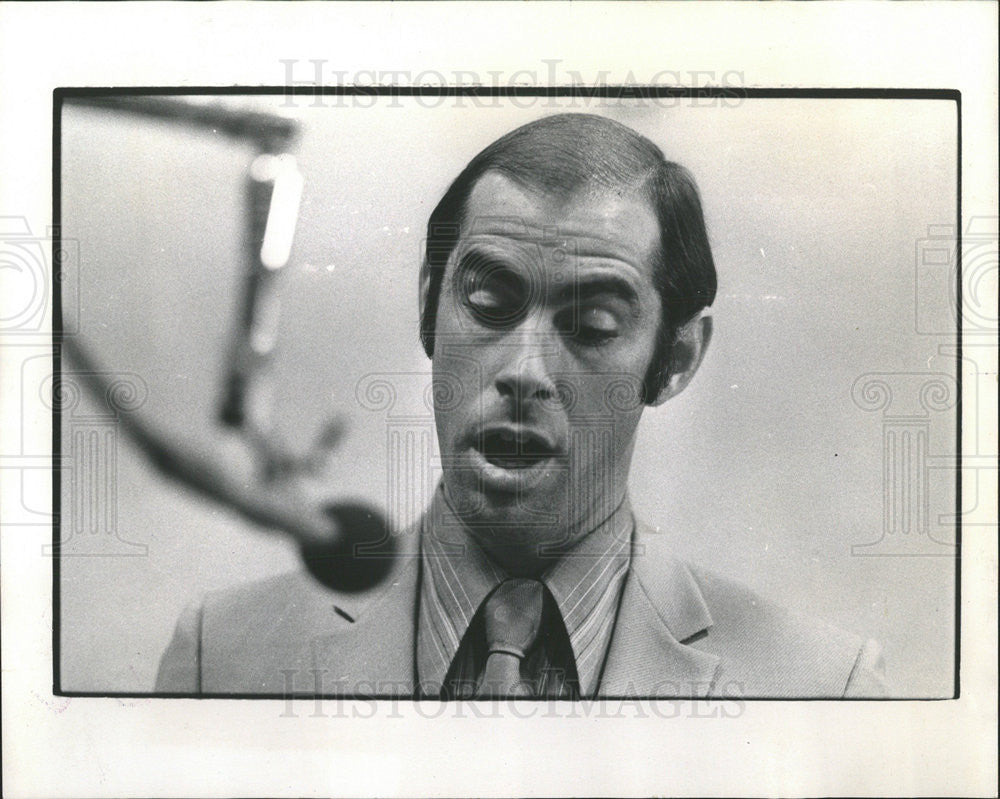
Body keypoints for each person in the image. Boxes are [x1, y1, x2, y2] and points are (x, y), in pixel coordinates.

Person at [156, 113, 887, 698]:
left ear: (676, 360)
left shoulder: (827, 687)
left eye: (593, 326)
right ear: (427, 308)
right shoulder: (216, 658)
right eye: (488, 302)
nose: (525, 371)